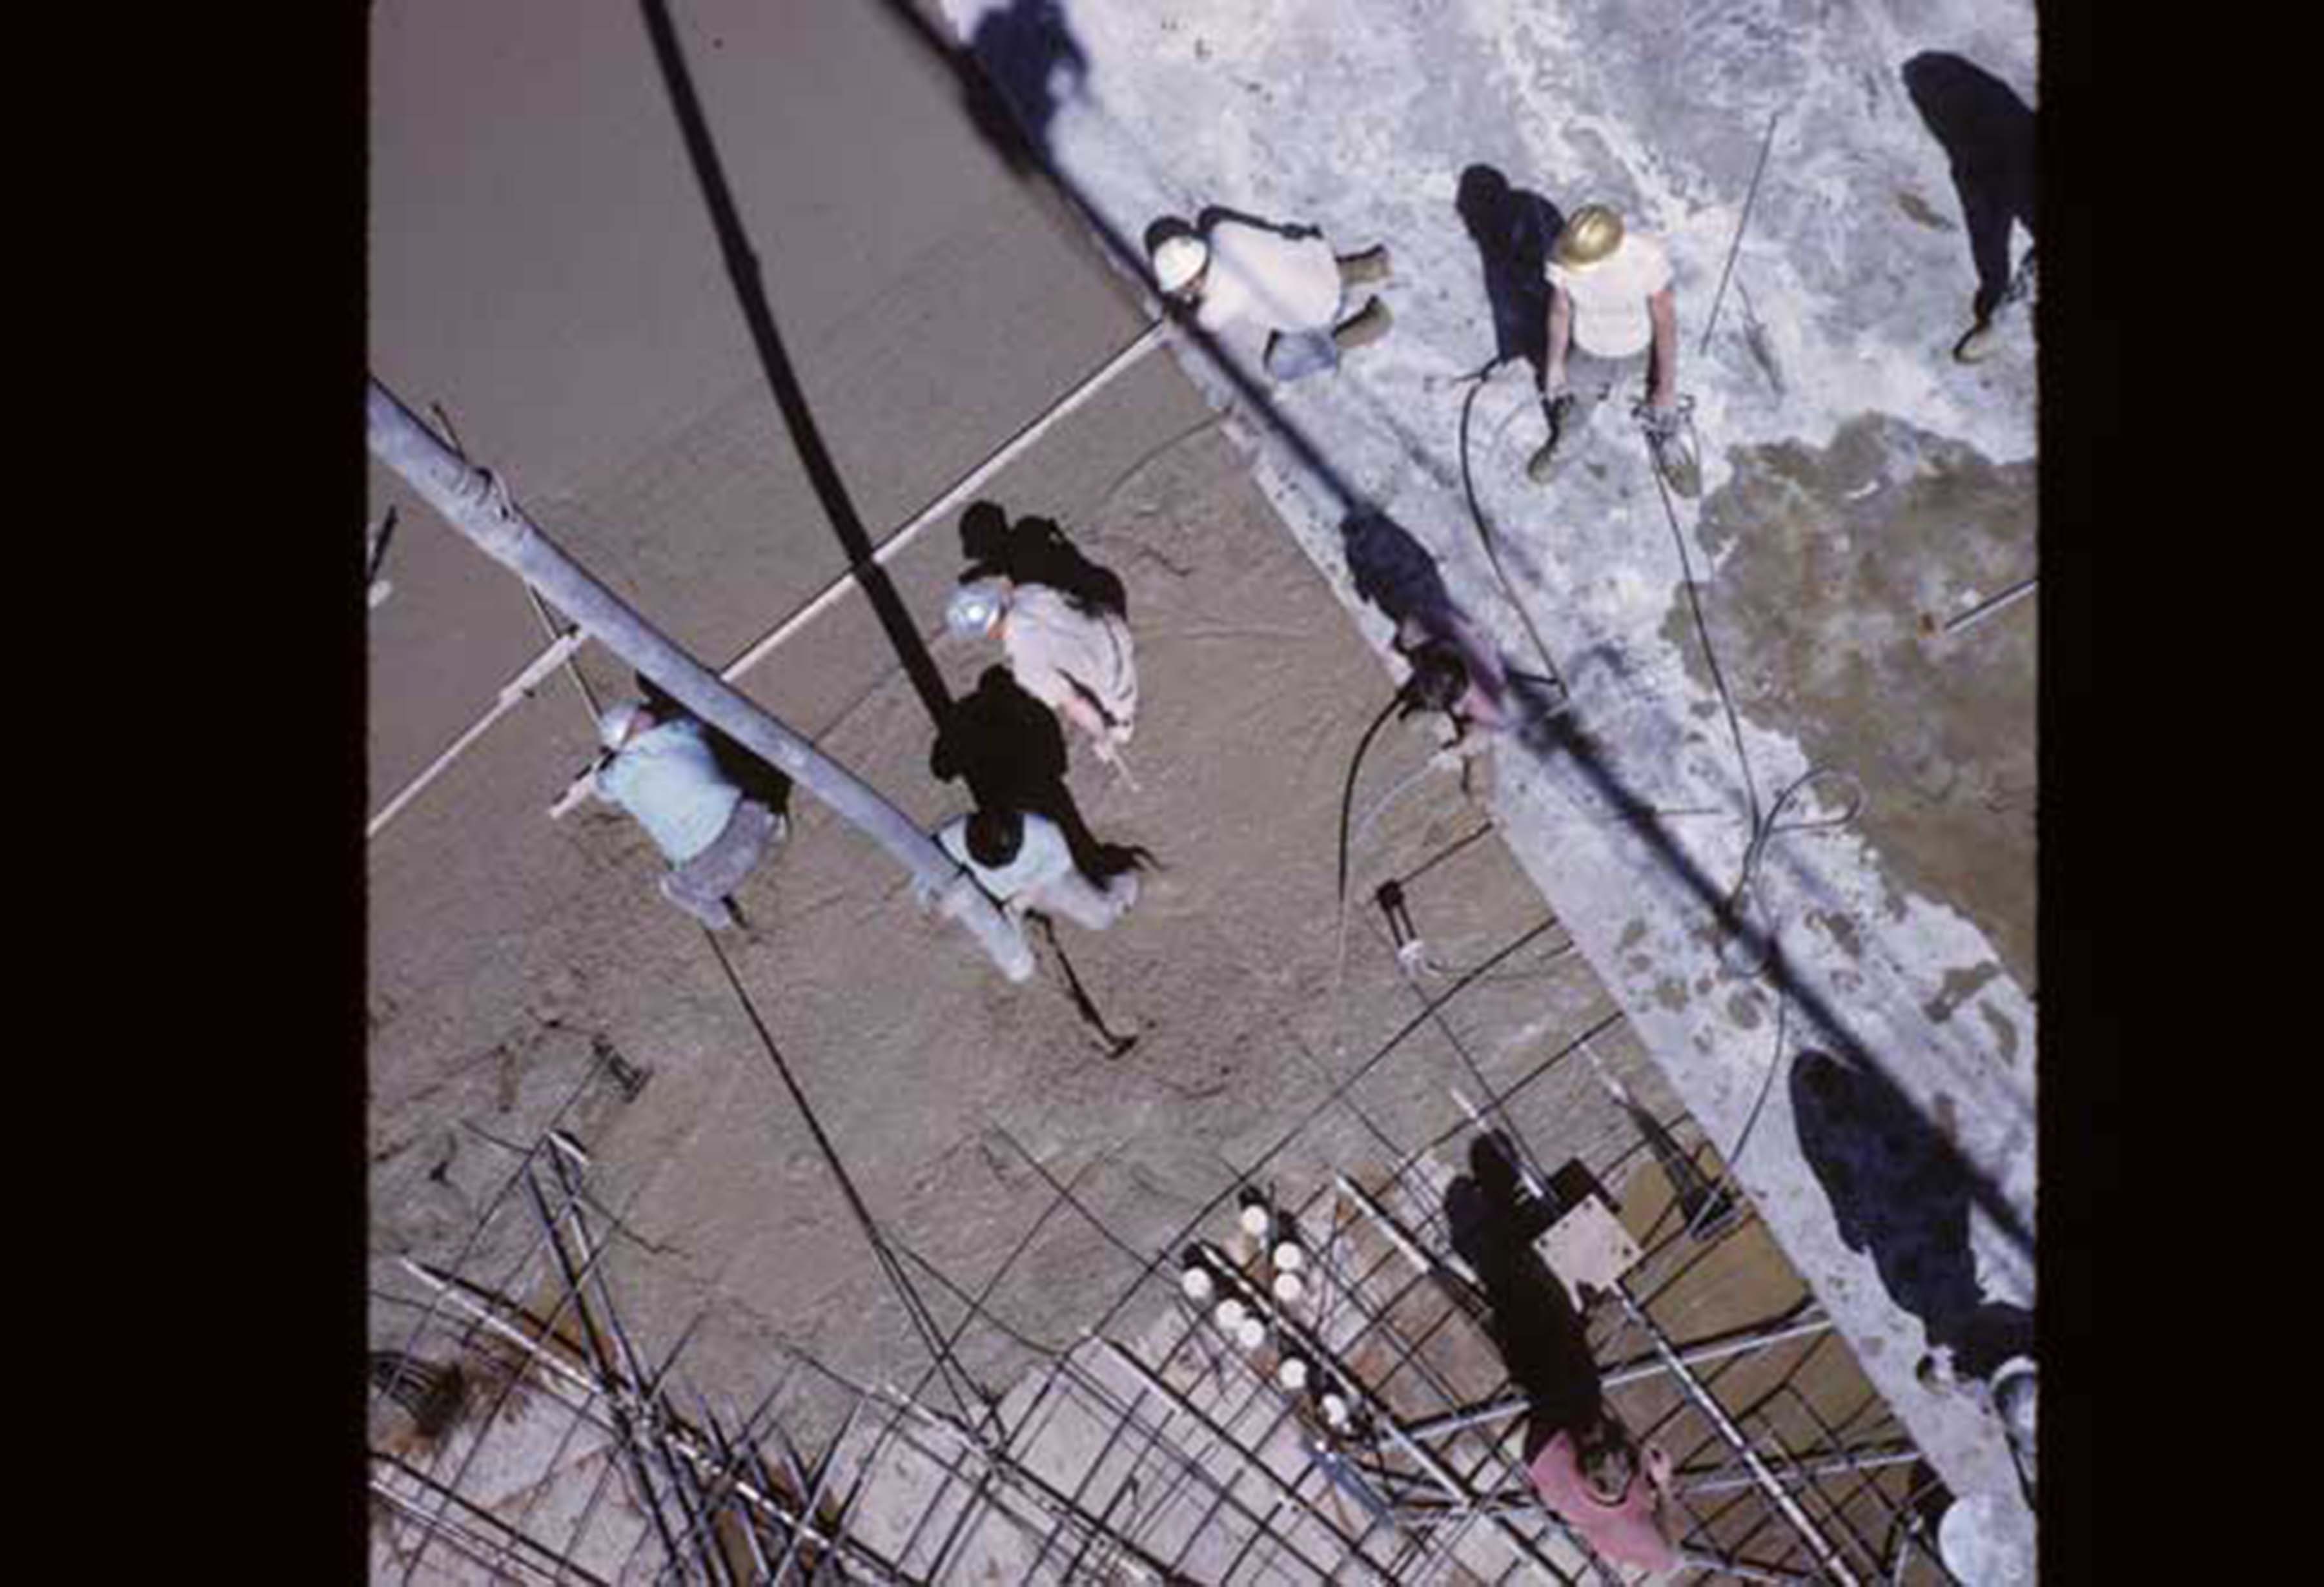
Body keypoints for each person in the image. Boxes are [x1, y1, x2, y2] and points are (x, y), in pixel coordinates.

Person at [1529, 203, 1699, 497]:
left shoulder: (1646, 258)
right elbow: (1560, 311)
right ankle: (1568, 445)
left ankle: (1667, 440)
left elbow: (1666, 322)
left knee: (1662, 403)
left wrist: (1666, 387)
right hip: (1588, 351)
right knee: (1574, 405)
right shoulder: (1564, 256)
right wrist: (1555, 365)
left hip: (1640, 349)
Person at [591, 699, 787, 930]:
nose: (646, 709)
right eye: (640, 712)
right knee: (737, 769)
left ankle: (718, 916)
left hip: (708, 864)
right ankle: (772, 826)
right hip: (751, 822)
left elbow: (600, 789)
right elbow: (699, 723)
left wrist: (601, 765)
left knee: (676, 884)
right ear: (635, 724)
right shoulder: (677, 731)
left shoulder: (617, 778)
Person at [1147, 212, 1393, 381]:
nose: (1180, 293)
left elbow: (1196, 322)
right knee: (1285, 271)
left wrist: (1180, 313)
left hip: (1319, 308)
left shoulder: (1218, 305)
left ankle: (1370, 326)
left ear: (1192, 281)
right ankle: (1364, 267)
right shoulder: (1221, 231)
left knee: (1279, 367)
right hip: (1317, 255)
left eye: (1180, 288)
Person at [946, 577, 1137, 773]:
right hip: (1112, 626)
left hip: (1112, 673)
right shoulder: (1030, 592)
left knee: (1119, 730)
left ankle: (1122, 724)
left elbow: (1075, 702)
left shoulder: (1027, 667)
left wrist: (1101, 735)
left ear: (987, 632)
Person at [1525, 1406, 1683, 1573]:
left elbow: (1671, 1559)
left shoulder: (1629, 1530)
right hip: (1543, 1466)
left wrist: (1663, 1483)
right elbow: (1670, 1561)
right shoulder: (1626, 1535)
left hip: (1550, 1447)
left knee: (1580, 1395)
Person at [935, 804, 1137, 932]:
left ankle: (1121, 886)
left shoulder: (1045, 833)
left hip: (1038, 877)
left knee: (1099, 919)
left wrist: (1027, 893)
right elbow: (931, 855)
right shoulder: (954, 834)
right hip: (998, 888)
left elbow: (1061, 862)